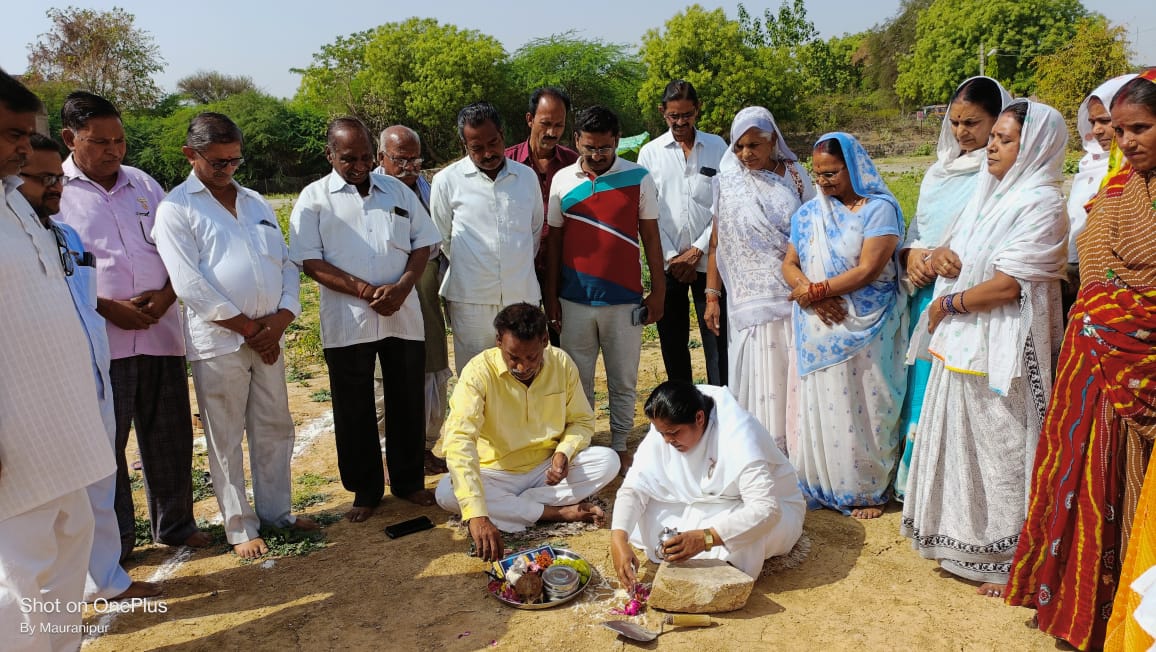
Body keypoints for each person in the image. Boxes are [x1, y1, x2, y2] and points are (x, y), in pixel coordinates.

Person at [1006, 69, 1156, 652]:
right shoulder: (1117, 191)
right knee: (1086, 482)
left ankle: (1131, 615)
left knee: (1131, 487)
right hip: (1095, 363)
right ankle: (1079, 608)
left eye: (1140, 129)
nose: (1125, 141)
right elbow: (1092, 270)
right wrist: (1106, 310)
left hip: (1140, 366)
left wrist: (1119, 311)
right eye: (1117, 130)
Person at [902, 100, 1069, 596]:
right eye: (993, 137)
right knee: (969, 446)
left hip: (1007, 347)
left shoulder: (1041, 202)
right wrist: (942, 257)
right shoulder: (990, 193)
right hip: (967, 341)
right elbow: (957, 250)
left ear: (1034, 146)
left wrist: (948, 304)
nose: (992, 146)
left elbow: (1008, 284)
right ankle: (969, 543)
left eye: (1005, 139)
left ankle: (1011, 556)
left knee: (1006, 449)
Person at [154, 112, 318, 559]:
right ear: (191, 155)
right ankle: (240, 526)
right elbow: (189, 283)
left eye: (235, 160)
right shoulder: (176, 209)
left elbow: (285, 263)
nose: (227, 169)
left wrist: (281, 319)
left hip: (269, 336)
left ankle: (278, 514)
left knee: (274, 426)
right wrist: (247, 328)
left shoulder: (255, 201)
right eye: (218, 162)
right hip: (220, 341)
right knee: (225, 435)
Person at [56, 91, 210, 557]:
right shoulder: (55, 192)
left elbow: (176, 249)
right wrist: (107, 306)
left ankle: (176, 525)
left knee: (169, 435)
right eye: (100, 142)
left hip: (161, 333)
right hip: (103, 340)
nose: (114, 151)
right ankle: (119, 541)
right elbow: (58, 268)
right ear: (70, 139)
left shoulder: (143, 184)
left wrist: (166, 296)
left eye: (119, 140)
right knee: (109, 444)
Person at [0, 68, 115, 651]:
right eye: (11, 134)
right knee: (16, 581)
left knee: (70, 547)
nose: (24, 147)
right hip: (13, 439)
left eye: (27, 134)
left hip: (64, 426)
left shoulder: (15, 202)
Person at [18, 133, 160, 601]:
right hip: (39, 387)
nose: (55, 188)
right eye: (42, 180)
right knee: (46, 501)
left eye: (57, 179)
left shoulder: (66, 236)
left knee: (99, 481)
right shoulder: (11, 243)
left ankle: (106, 580)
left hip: (92, 373)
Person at [290, 118, 441, 521]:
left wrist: (403, 287)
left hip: (402, 313)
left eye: (363, 158)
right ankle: (365, 489)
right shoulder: (314, 199)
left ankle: (408, 481)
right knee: (353, 405)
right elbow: (309, 261)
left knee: (407, 399)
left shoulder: (397, 191)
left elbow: (424, 243)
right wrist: (363, 291)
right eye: (347, 159)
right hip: (349, 319)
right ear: (329, 155)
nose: (358, 166)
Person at [894, 76, 1011, 501]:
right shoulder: (937, 172)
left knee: (957, 389)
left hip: (968, 296)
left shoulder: (998, 173)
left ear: (997, 121)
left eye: (973, 123)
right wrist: (912, 254)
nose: (962, 132)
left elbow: (990, 236)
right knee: (921, 384)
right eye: (955, 122)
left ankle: (951, 490)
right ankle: (914, 482)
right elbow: (918, 229)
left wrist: (943, 255)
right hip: (927, 294)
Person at [781, 132, 907, 520]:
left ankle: (866, 488)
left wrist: (816, 290)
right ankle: (823, 483)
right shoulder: (808, 214)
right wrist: (813, 295)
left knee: (869, 403)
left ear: (854, 168)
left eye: (832, 173)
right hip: (817, 325)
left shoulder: (879, 210)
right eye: (818, 174)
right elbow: (789, 264)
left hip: (869, 324)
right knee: (823, 403)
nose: (823, 182)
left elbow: (869, 269)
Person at [434, 303, 620, 562]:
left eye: (532, 357)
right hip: (495, 473)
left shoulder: (561, 363)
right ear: (499, 342)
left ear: (545, 341)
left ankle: (516, 507)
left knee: (608, 461)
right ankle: (556, 513)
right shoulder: (478, 372)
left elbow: (581, 421)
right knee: (446, 493)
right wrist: (476, 514)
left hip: (545, 472)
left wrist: (563, 453)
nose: (522, 367)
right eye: (514, 358)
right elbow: (459, 440)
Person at [544, 105, 666, 469]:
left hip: (624, 299)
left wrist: (658, 291)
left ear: (617, 140)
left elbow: (651, 238)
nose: (597, 155)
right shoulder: (562, 180)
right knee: (577, 380)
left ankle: (619, 443)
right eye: (589, 148)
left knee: (623, 379)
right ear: (576, 141)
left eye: (604, 148)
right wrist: (551, 297)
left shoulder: (638, 177)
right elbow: (554, 244)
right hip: (574, 300)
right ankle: (582, 443)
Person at [610, 381, 805, 584]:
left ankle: (721, 564)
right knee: (644, 514)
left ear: (699, 418)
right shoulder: (665, 426)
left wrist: (706, 538)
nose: (667, 441)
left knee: (747, 535)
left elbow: (767, 509)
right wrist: (618, 538)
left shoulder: (738, 434)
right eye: (662, 434)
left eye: (674, 433)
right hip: (696, 504)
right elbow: (634, 488)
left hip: (761, 509)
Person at [702, 106, 814, 454]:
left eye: (754, 145)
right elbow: (717, 242)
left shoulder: (795, 175)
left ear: (773, 141)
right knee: (756, 375)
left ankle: (796, 452)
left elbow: (815, 226)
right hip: (749, 305)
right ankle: (759, 451)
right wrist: (711, 295)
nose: (746, 154)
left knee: (791, 374)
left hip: (793, 294)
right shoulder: (729, 182)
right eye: (739, 146)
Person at [430, 102, 544, 375]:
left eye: (493, 143)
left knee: (523, 373)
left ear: (502, 135)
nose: (488, 153)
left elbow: (534, 231)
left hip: (521, 296)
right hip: (471, 300)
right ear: (464, 145)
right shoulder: (447, 181)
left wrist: (511, 263)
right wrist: (478, 265)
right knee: (476, 376)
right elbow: (442, 237)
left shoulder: (526, 177)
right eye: (477, 148)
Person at [638, 80, 729, 386]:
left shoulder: (717, 147)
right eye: (673, 116)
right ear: (662, 112)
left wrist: (698, 250)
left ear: (697, 109)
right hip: (669, 265)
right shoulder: (650, 154)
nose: (680, 122)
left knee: (717, 341)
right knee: (673, 344)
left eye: (686, 115)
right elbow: (647, 211)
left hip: (710, 263)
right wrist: (672, 257)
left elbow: (724, 205)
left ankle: (719, 404)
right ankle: (683, 405)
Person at [374, 125, 451, 476]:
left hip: (425, 293)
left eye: (415, 160)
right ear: (382, 158)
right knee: (387, 378)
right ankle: (388, 455)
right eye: (400, 160)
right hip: (386, 295)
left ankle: (424, 447)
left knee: (432, 368)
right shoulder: (370, 192)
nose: (409, 167)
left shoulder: (427, 190)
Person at [505, 88, 580, 346]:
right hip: (520, 273)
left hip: (563, 273)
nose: (552, 132)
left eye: (559, 125)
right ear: (530, 119)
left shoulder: (574, 165)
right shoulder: (507, 164)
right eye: (546, 123)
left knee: (561, 347)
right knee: (522, 344)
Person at [1062, 73, 1138, 316]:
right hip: (1075, 275)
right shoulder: (1089, 165)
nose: (1096, 130)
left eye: (1105, 121)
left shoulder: (1135, 168)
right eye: (1092, 121)